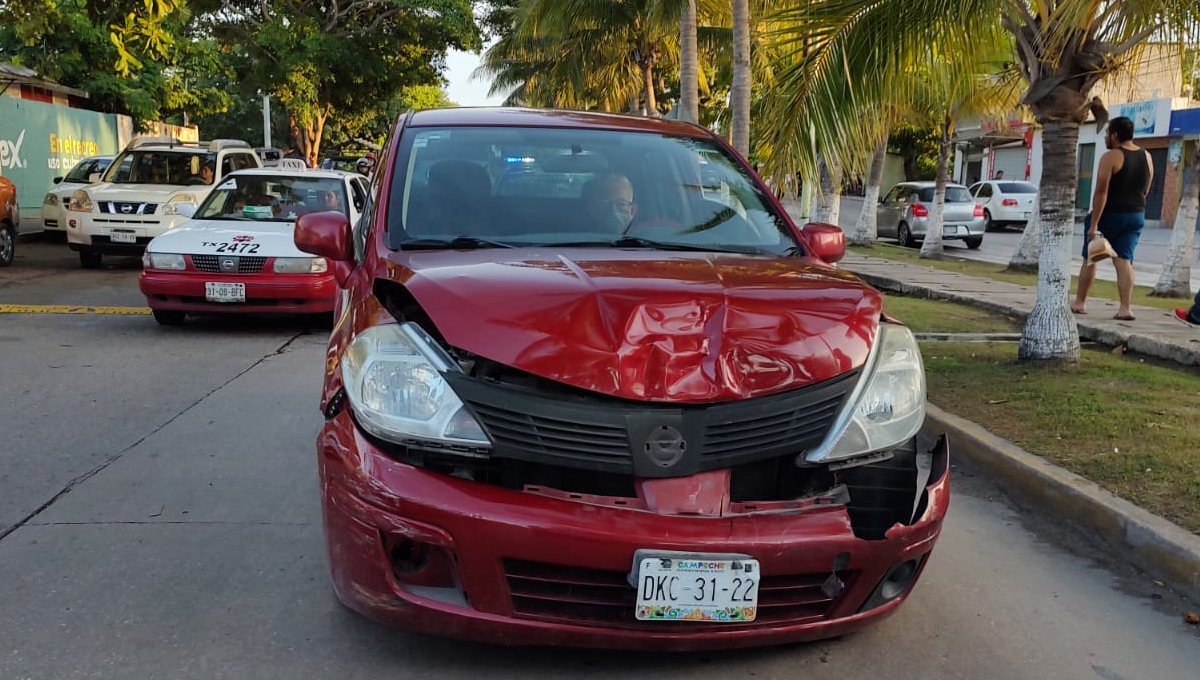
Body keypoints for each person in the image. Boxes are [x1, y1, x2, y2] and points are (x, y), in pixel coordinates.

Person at [1070, 116, 1153, 320]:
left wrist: (1094, 224)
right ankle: (1125, 308)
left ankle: (1080, 302)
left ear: (1115, 135)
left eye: (1107, 133)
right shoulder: (1147, 156)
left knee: (1091, 258)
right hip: (1136, 215)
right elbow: (1146, 189)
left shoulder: (1112, 156)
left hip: (1110, 215)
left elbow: (1100, 193)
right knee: (1124, 261)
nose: (1106, 137)